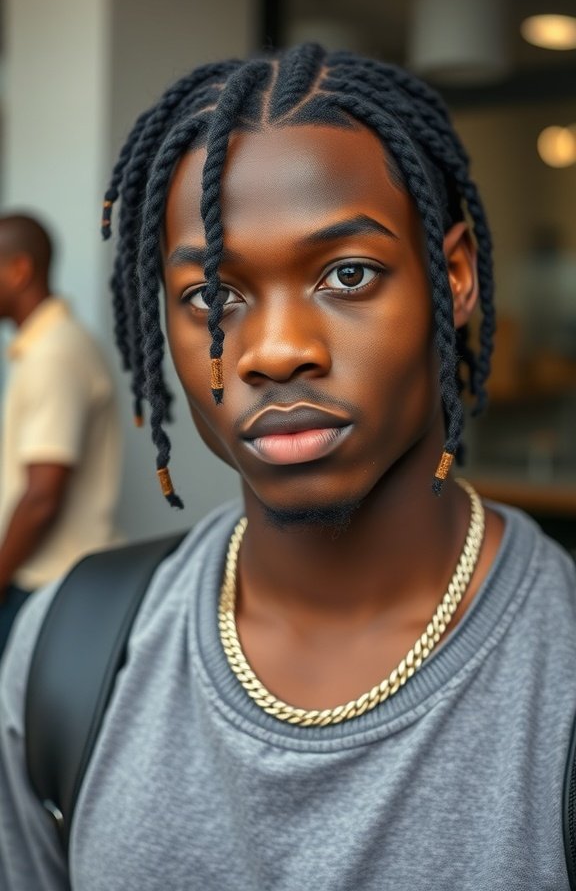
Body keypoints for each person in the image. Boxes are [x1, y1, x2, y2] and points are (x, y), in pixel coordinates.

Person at [1, 45, 576, 889]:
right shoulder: (64, 655)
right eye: (212, 297)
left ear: (453, 279)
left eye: (347, 274)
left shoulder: (557, 678)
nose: (275, 352)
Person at [0, 213, 122, 656]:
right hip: (50, 586)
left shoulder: (53, 354)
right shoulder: (48, 346)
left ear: (18, 270)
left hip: (47, 589)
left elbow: (41, 498)